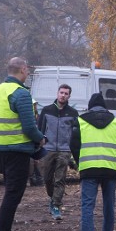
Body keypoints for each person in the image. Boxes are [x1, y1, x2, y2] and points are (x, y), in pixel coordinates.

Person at [0, 57, 46, 231]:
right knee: (13, 194)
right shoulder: (20, 93)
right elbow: (29, 127)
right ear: (22, 69)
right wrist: (41, 138)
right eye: (27, 70)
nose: (28, 74)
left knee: (10, 192)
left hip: (0, 149)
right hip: (17, 150)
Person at [70, 92, 116, 231]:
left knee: (88, 206)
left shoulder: (80, 121)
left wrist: (80, 162)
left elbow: (73, 144)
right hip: (110, 169)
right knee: (109, 206)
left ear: (90, 106)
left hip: (88, 169)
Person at [37, 84, 79, 220]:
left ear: (69, 96)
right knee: (47, 179)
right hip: (48, 150)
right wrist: (40, 144)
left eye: (66, 93)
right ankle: (52, 198)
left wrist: (73, 151)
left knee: (60, 179)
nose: (63, 95)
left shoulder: (72, 113)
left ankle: (56, 206)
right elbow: (40, 129)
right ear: (57, 93)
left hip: (64, 150)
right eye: (61, 92)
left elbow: (76, 133)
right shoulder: (47, 110)